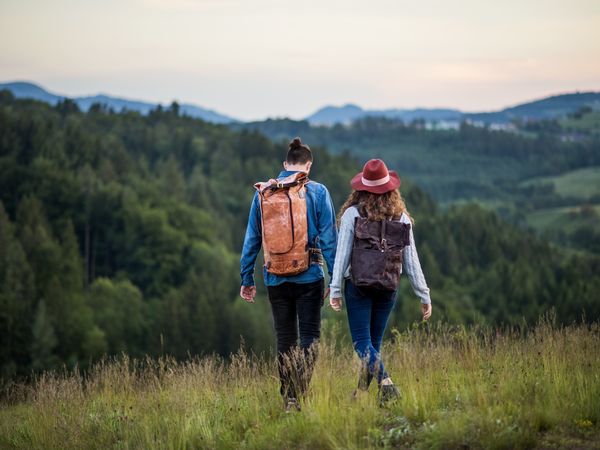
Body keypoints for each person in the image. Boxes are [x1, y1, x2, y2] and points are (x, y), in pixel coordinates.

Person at [240, 137, 337, 412]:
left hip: (275, 278)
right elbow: (330, 239)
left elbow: (252, 240)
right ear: (308, 166)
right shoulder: (318, 192)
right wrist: (336, 280)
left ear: (285, 165)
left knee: (285, 339)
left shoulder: (263, 194)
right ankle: (299, 392)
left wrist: (246, 278)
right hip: (310, 276)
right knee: (310, 337)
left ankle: (289, 397)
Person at [329, 158, 432, 405]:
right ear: (390, 189)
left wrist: (334, 289)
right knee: (373, 343)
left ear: (362, 188)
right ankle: (361, 394)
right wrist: (424, 294)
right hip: (388, 287)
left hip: (358, 287)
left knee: (362, 343)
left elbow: (342, 254)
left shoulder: (353, 214)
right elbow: (412, 261)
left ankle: (387, 385)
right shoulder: (402, 218)